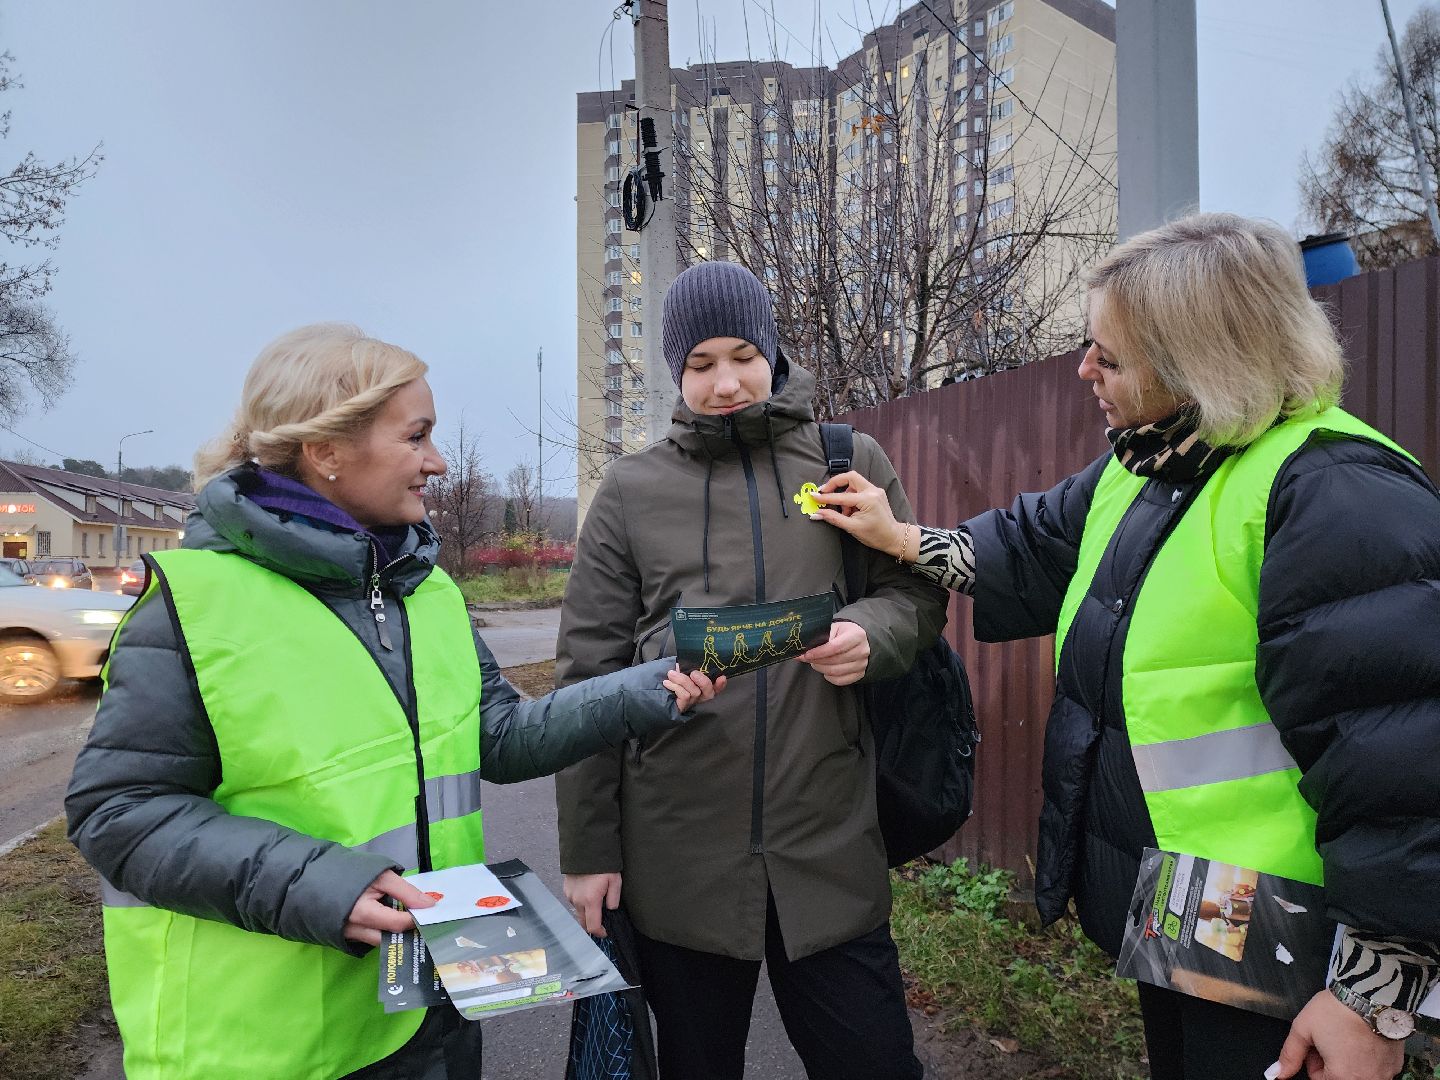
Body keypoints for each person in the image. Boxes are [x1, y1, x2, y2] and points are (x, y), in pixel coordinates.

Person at [808, 214, 1440, 1080]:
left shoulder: (1332, 492)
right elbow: (1032, 546)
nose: (1084, 370)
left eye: (1110, 355)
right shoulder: (1156, 463)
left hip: (1295, 940)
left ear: (1196, 362)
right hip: (1196, 911)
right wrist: (901, 537)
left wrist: (1376, 997)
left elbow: (1403, 765)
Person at [65, 323, 723, 1080]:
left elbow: (498, 737)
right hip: (266, 1045)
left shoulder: (426, 590)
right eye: (417, 437)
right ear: (326, 450)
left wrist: (647, 686)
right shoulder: (193, 603)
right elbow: (116, 811)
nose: (437, 462)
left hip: (430, 1008)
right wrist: (320, 886)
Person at [555, 262, 949, 1080]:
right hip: (679, 860)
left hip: (828, 848)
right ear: (676, 371)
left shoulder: (847, 459)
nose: (726, 382)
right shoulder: (630, 493)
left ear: (771, 349)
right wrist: (588, 852)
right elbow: (584, 678)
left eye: (742, 355)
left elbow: (914, 592)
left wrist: (871, 634)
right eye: (701, 364)